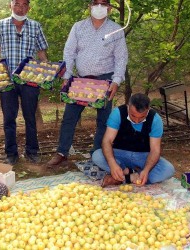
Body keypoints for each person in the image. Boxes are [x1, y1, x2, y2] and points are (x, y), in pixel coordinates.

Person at [47, 0, 129, 167]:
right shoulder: (78, 27)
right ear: (90, 6)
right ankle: (62, 152)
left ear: (109, 8)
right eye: (96, 3)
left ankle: (97, 154)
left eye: (103, 3)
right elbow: (69, 52)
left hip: (105, 80)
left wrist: (117, 80)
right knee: (70, 116)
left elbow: (121, 57)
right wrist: (67, 76)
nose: (99, 7)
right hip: (80, 80)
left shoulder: (116, 30)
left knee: (103, 120)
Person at [0, 0, 49, 165]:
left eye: (24, 4)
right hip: (7, 79)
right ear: (10, 5)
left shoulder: (35, 26)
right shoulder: (0, 25)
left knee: (30, 117)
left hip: (29, 79)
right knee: (9, 117)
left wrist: (47, 70)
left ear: (29, 7)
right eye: (16, 4)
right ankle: (11, 153)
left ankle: (32, 151)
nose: (20, 8)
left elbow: (41, 51)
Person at [92, 93, 175, 186]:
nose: (136, 121)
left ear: (148, 110)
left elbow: (155, 150)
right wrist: (112, 164)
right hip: (120, 154)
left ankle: (127, 177)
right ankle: (126, 172)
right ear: (128, 106)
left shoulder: (155, 119)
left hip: (143, 157)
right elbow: (107, 141)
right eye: (133, 116)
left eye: (142, 117)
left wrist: (147, 170)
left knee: (168, 169)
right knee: (97, 156)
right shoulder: (117, 113)